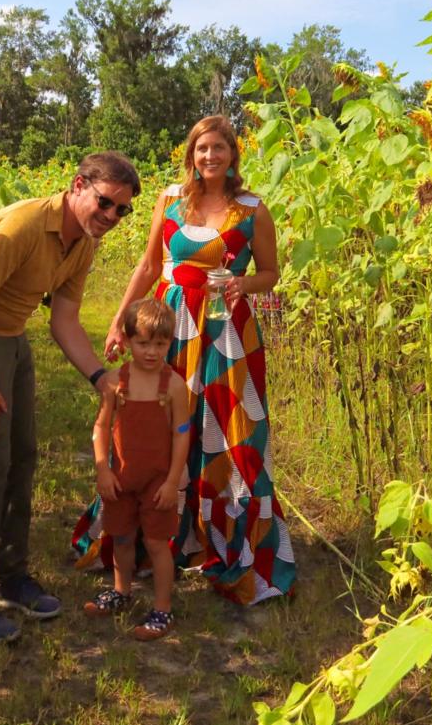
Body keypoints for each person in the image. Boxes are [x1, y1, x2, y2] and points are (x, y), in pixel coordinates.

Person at [71, 115, 297, 605]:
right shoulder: (172, 198)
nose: (209, 157)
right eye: (201, 149)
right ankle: (154, 533)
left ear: (233, 154)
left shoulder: (253, 209)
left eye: (218, 148)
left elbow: (272, 273)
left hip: (226, 335)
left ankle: (224, 542)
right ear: (191, 154)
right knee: (154, 425)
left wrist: (245, 283)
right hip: (170, 329)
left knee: (229, 432)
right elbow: (150, 265)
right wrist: (118, 321)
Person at [0, 151, 139, 645]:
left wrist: (99, 377)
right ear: (78, 186)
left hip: (9, 333)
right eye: (105, 203)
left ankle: (9, 577)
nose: (110, 217)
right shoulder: (24, 224)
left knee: (22, 456)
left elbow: (64, 320)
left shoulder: (82, 244)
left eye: (121, 210)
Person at [82, 298, 190, 640]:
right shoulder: (115, 383)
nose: (151, 352)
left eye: (160, 344)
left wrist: (173, 481)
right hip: (121, 478)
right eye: (142, 343)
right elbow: (101, 427)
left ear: (170, 343)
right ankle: (121, 591)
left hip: (158, 482)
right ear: (127, 341)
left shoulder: (173, 386)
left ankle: (162, 608)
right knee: (123, 536)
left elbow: (182, 435)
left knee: (158, 544)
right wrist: (103, 469)